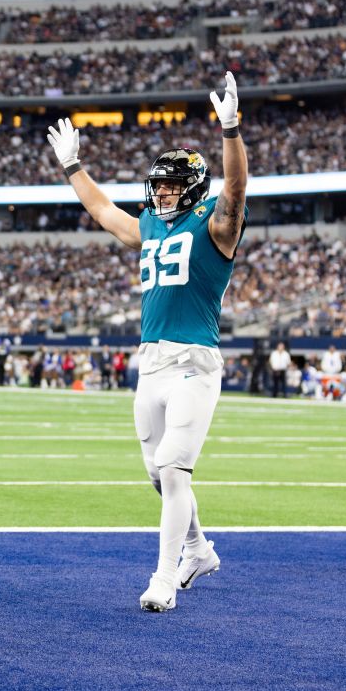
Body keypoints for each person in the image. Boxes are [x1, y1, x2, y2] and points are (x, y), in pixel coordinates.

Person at [47, 71, 248, 612]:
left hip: (194, 362)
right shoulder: (150, 226)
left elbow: (235, 190)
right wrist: (72, 167)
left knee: (176, 469)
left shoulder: (216, 225)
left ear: (193, 189)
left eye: (171, 185)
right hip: (152, 364)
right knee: (158, 475)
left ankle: (163, 579)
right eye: (156, 184)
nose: (161, 192)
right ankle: (198, 549)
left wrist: (230, 131)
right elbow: (103, 211)